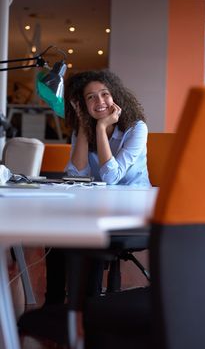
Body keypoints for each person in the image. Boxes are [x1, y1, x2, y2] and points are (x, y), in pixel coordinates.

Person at [44, 69, 151, 305]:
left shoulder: (136, 129)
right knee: (55, 230)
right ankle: (52, 305)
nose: (99, 101)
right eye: (90, 97)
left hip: (133, 209)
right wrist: (84, 127)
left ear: (116, 97)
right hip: (101, 205)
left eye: (104, 94)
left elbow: (111, 176)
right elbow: (75, 174)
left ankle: (88, 305)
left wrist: (101, 129)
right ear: (83, 104)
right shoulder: (82, 130)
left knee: (86, 232)